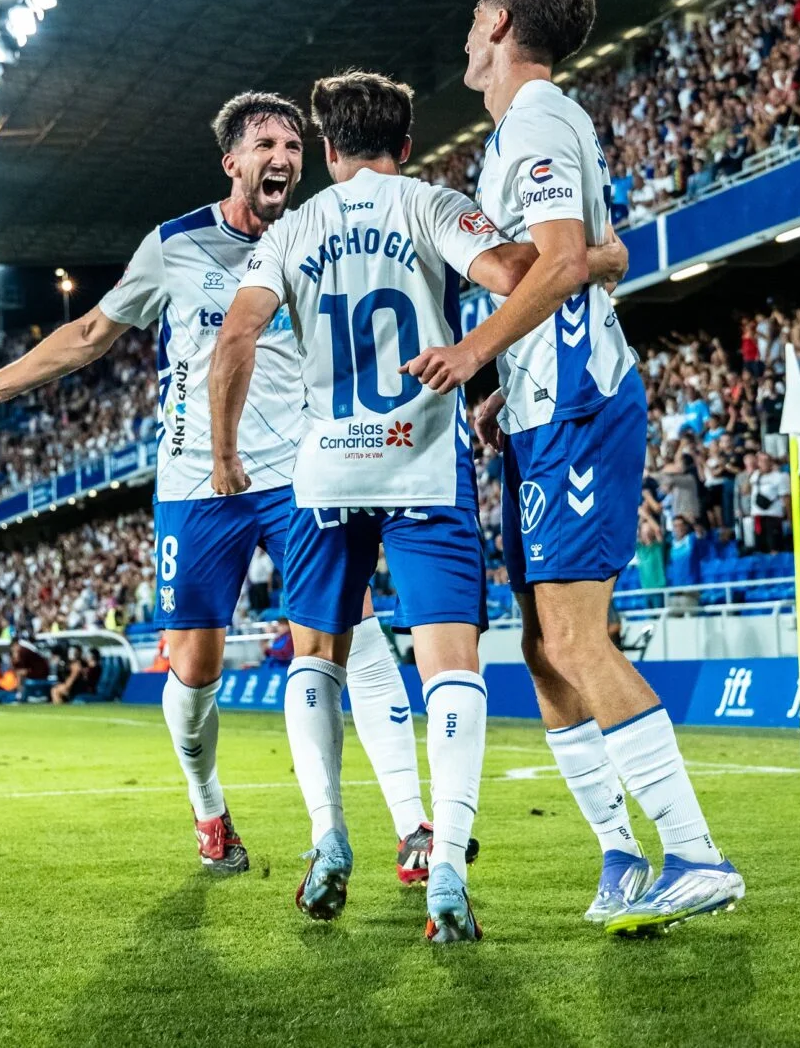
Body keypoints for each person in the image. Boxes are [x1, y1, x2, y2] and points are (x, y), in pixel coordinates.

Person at [0, 93, 448, 882]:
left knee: (351, 629)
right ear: (231, 161)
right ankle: (209, 810)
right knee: (195, 669)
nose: (285, 156)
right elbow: (92, 333)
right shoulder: (174, 246)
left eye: (295, 144)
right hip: (197, 483)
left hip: (303, 476)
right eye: (267, 142)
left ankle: (412, 827)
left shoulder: (318, 233)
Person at [209, 70, 617, 943]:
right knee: (449, 666)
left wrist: (224, 452)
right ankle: (446, 873)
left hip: (326, 472)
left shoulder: (296, 227)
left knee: (316, 657)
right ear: (405, 146)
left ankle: (328, 841)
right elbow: (520, 272)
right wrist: (598, 256)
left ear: (325, 151)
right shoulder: (434, 204)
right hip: (422, 468)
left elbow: (237, 333)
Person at [408, 0, 742, 935]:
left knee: (575, 636)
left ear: (502, 25)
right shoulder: (522, 131)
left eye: (478, 19)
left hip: (580, 407)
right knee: (541, 644)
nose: (470, 33)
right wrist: (503, 380)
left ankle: (695, 854)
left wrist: (472, 353)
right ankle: (620, 854)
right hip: (540, 409)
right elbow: (588, 256)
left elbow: (557, 265)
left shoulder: (541, 117)